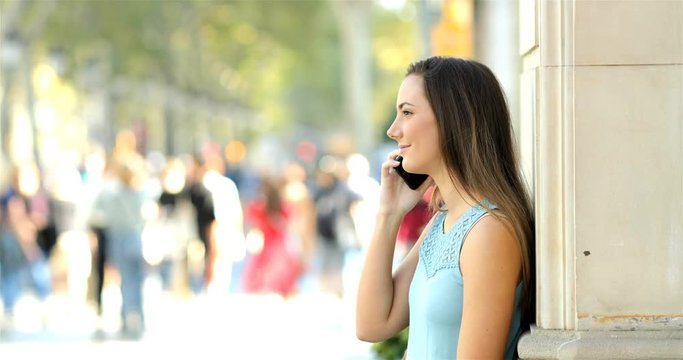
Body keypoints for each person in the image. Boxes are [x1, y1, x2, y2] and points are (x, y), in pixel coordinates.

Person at [356, 56, 535, 359]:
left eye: (407, 113)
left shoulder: (488, 231)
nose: (393, 130)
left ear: (453, 117)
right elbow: (372, 324)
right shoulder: (444, 223)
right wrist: (389, 215)